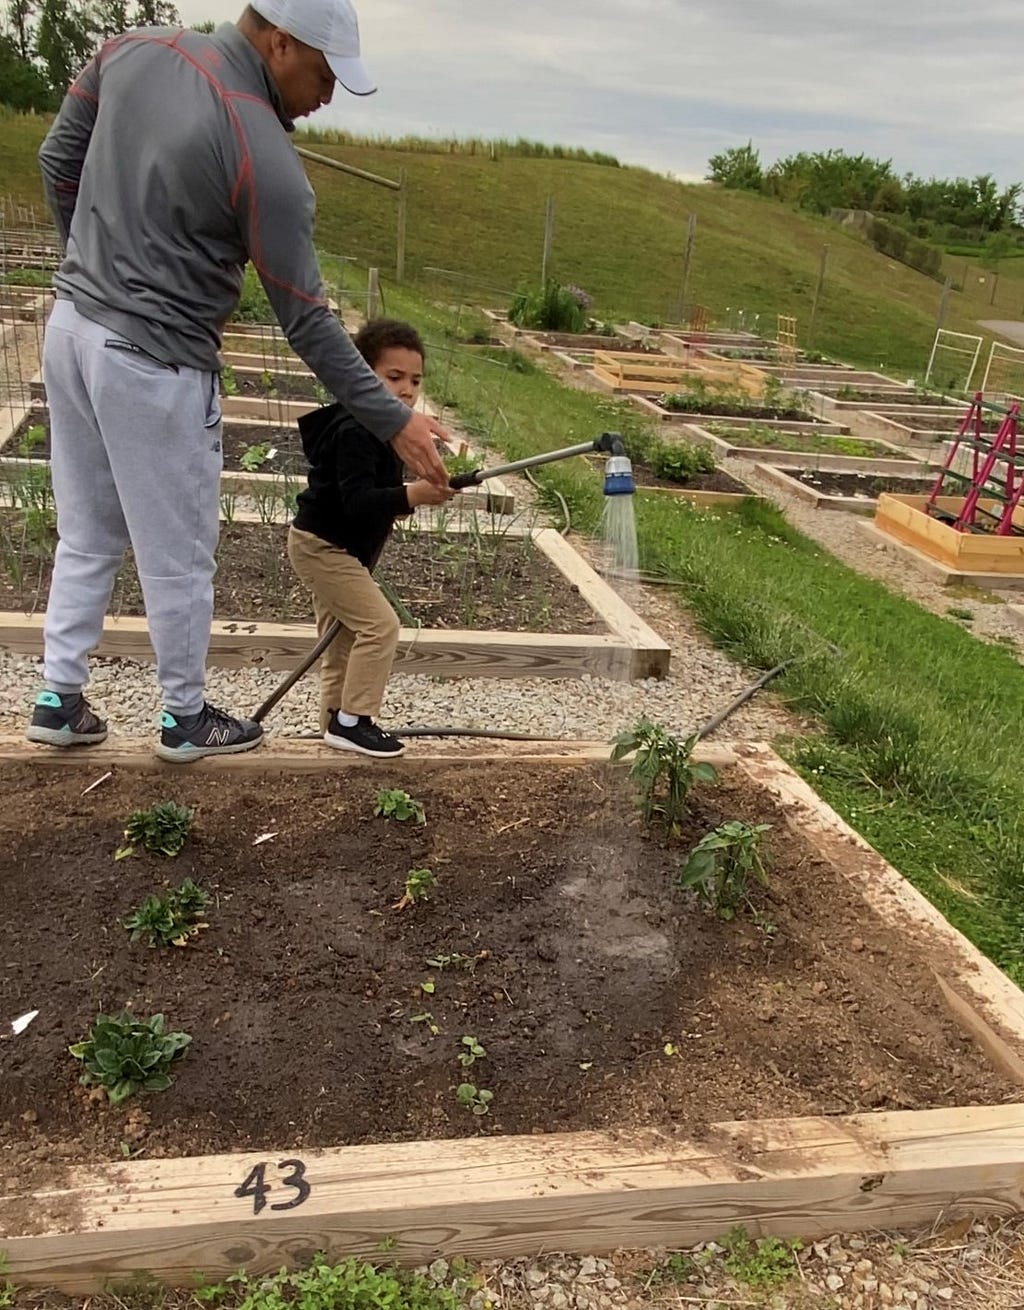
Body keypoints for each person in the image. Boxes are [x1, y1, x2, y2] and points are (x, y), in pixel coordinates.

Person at [27, 0, 449, 763]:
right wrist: (396, 423)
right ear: (280, 43)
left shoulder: (128, 50)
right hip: (158, 359)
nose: (324, 98)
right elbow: (309, 320)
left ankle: (60, 696)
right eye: (323, 76)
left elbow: (59, 162)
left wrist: (92, 270)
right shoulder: (264, 154)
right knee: (180, 549)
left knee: (86, 527)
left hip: (71, 330)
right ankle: (184, 717)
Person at [288, 318, 455, 757]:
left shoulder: (385, 431)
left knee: (342, 640)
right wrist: (414, 495)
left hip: (338, 546)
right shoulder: (355, 431)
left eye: (415, 380)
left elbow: (377, 498)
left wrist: (415, 489)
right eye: (393, 377)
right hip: (323, 546)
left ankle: (333, 726)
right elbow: (358, 502)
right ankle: (354, 720)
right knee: (380, 626)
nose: (406, 390)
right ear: (362, 376)